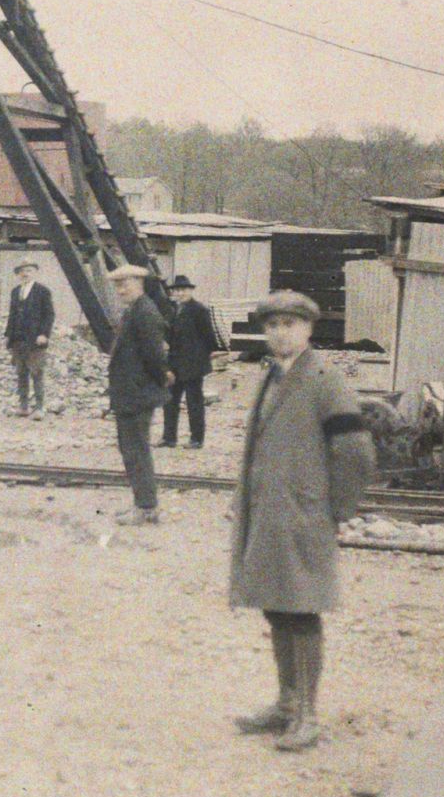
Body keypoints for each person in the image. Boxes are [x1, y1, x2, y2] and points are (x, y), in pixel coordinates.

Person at [229, 291, 375, 753]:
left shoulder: (324, 378)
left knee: (302, 610)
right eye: (272, 325)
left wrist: (337, 509)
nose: (280, 333)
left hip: (304, 514)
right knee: (277, 605)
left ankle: (308, 715)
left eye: (290, 324)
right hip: (273, 513)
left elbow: (355, 451)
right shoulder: (274, 376)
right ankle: (286, 704)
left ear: (309, 330)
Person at [106, 264, 171, 525]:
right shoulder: (135, 311)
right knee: (132, 450)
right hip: (131, 394)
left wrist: (158, 381)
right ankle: (143, 504)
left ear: (139, 283)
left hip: (136, 395)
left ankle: (145, 507)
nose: (121, 290)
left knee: (136, 451)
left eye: (126, 284)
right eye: (118, 285)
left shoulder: (144, 313)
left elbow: (154, 357)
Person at [160, 275, 221, 449]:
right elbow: (170, 337)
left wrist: (200, 358)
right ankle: (169, 438)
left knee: (194, 403)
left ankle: (196, 439)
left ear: (191, 290)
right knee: (170, 402)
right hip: (175, 364)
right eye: (177, 290)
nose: (180, 293)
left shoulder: (199, 310)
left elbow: (209, 338)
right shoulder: (173, 311)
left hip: (193, 366)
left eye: (183, 290)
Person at [3, 257, 55, 418]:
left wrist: (44, 334)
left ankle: (39, 408)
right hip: (18, 340)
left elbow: (49, 314)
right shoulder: (15, 292)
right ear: (18, 274)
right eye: (22, 271)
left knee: (36, 372)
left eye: (29, 270)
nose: (25, 274)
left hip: (35, 340)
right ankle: (23, 406)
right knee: (21, 373)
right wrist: (8, 335)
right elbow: (12, 315)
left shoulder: (42, 291)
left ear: (35, 272)